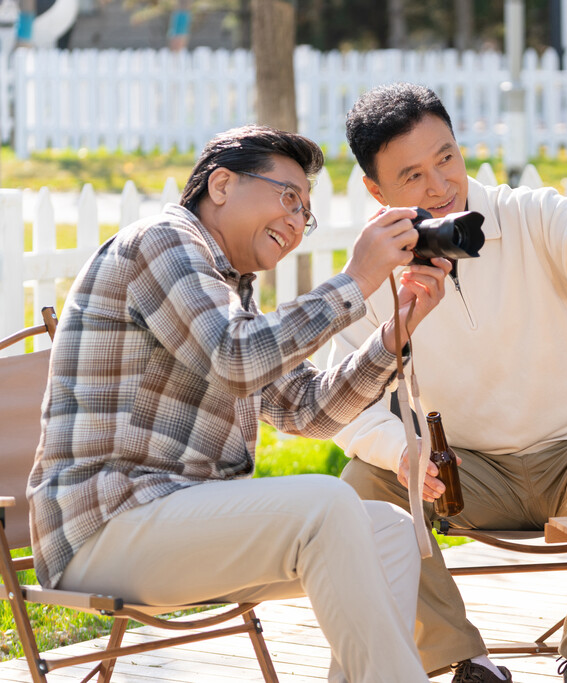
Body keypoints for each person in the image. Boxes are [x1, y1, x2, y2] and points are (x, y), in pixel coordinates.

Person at [27, 125, 453, 683]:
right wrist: (357, 279)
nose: (297, 221)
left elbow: (308, 409)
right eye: (288, 197)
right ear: (222, 184)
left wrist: (394, 333)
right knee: (327, 505)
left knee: (389, 533)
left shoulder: (229, 289)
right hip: (107, 527)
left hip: (180, 522)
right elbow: (236, 357)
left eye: (307, 212)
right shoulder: (160, 242)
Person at [331, 83, 567, 683]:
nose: (440, 185)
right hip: (470, 472)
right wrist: (402, 454)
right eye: (413, 175)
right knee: (361, 484)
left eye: (446, 157)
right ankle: (464, 660)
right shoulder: (372, 271)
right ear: (376, 191)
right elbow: (343, 397)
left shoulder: (528, 213)